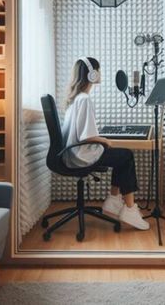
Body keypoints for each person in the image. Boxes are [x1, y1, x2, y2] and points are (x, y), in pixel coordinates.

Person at [62, 57, 149, 231]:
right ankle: (130, 209)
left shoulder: (76, 99)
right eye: (98, 70)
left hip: (71, 154)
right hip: (81, 155)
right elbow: (87, 136)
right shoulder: (84, 99)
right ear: (92, 74)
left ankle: (113, 201)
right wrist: (104, 140)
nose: (100, 73)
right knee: (126, 155)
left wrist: (102, 139)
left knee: (120, 156)